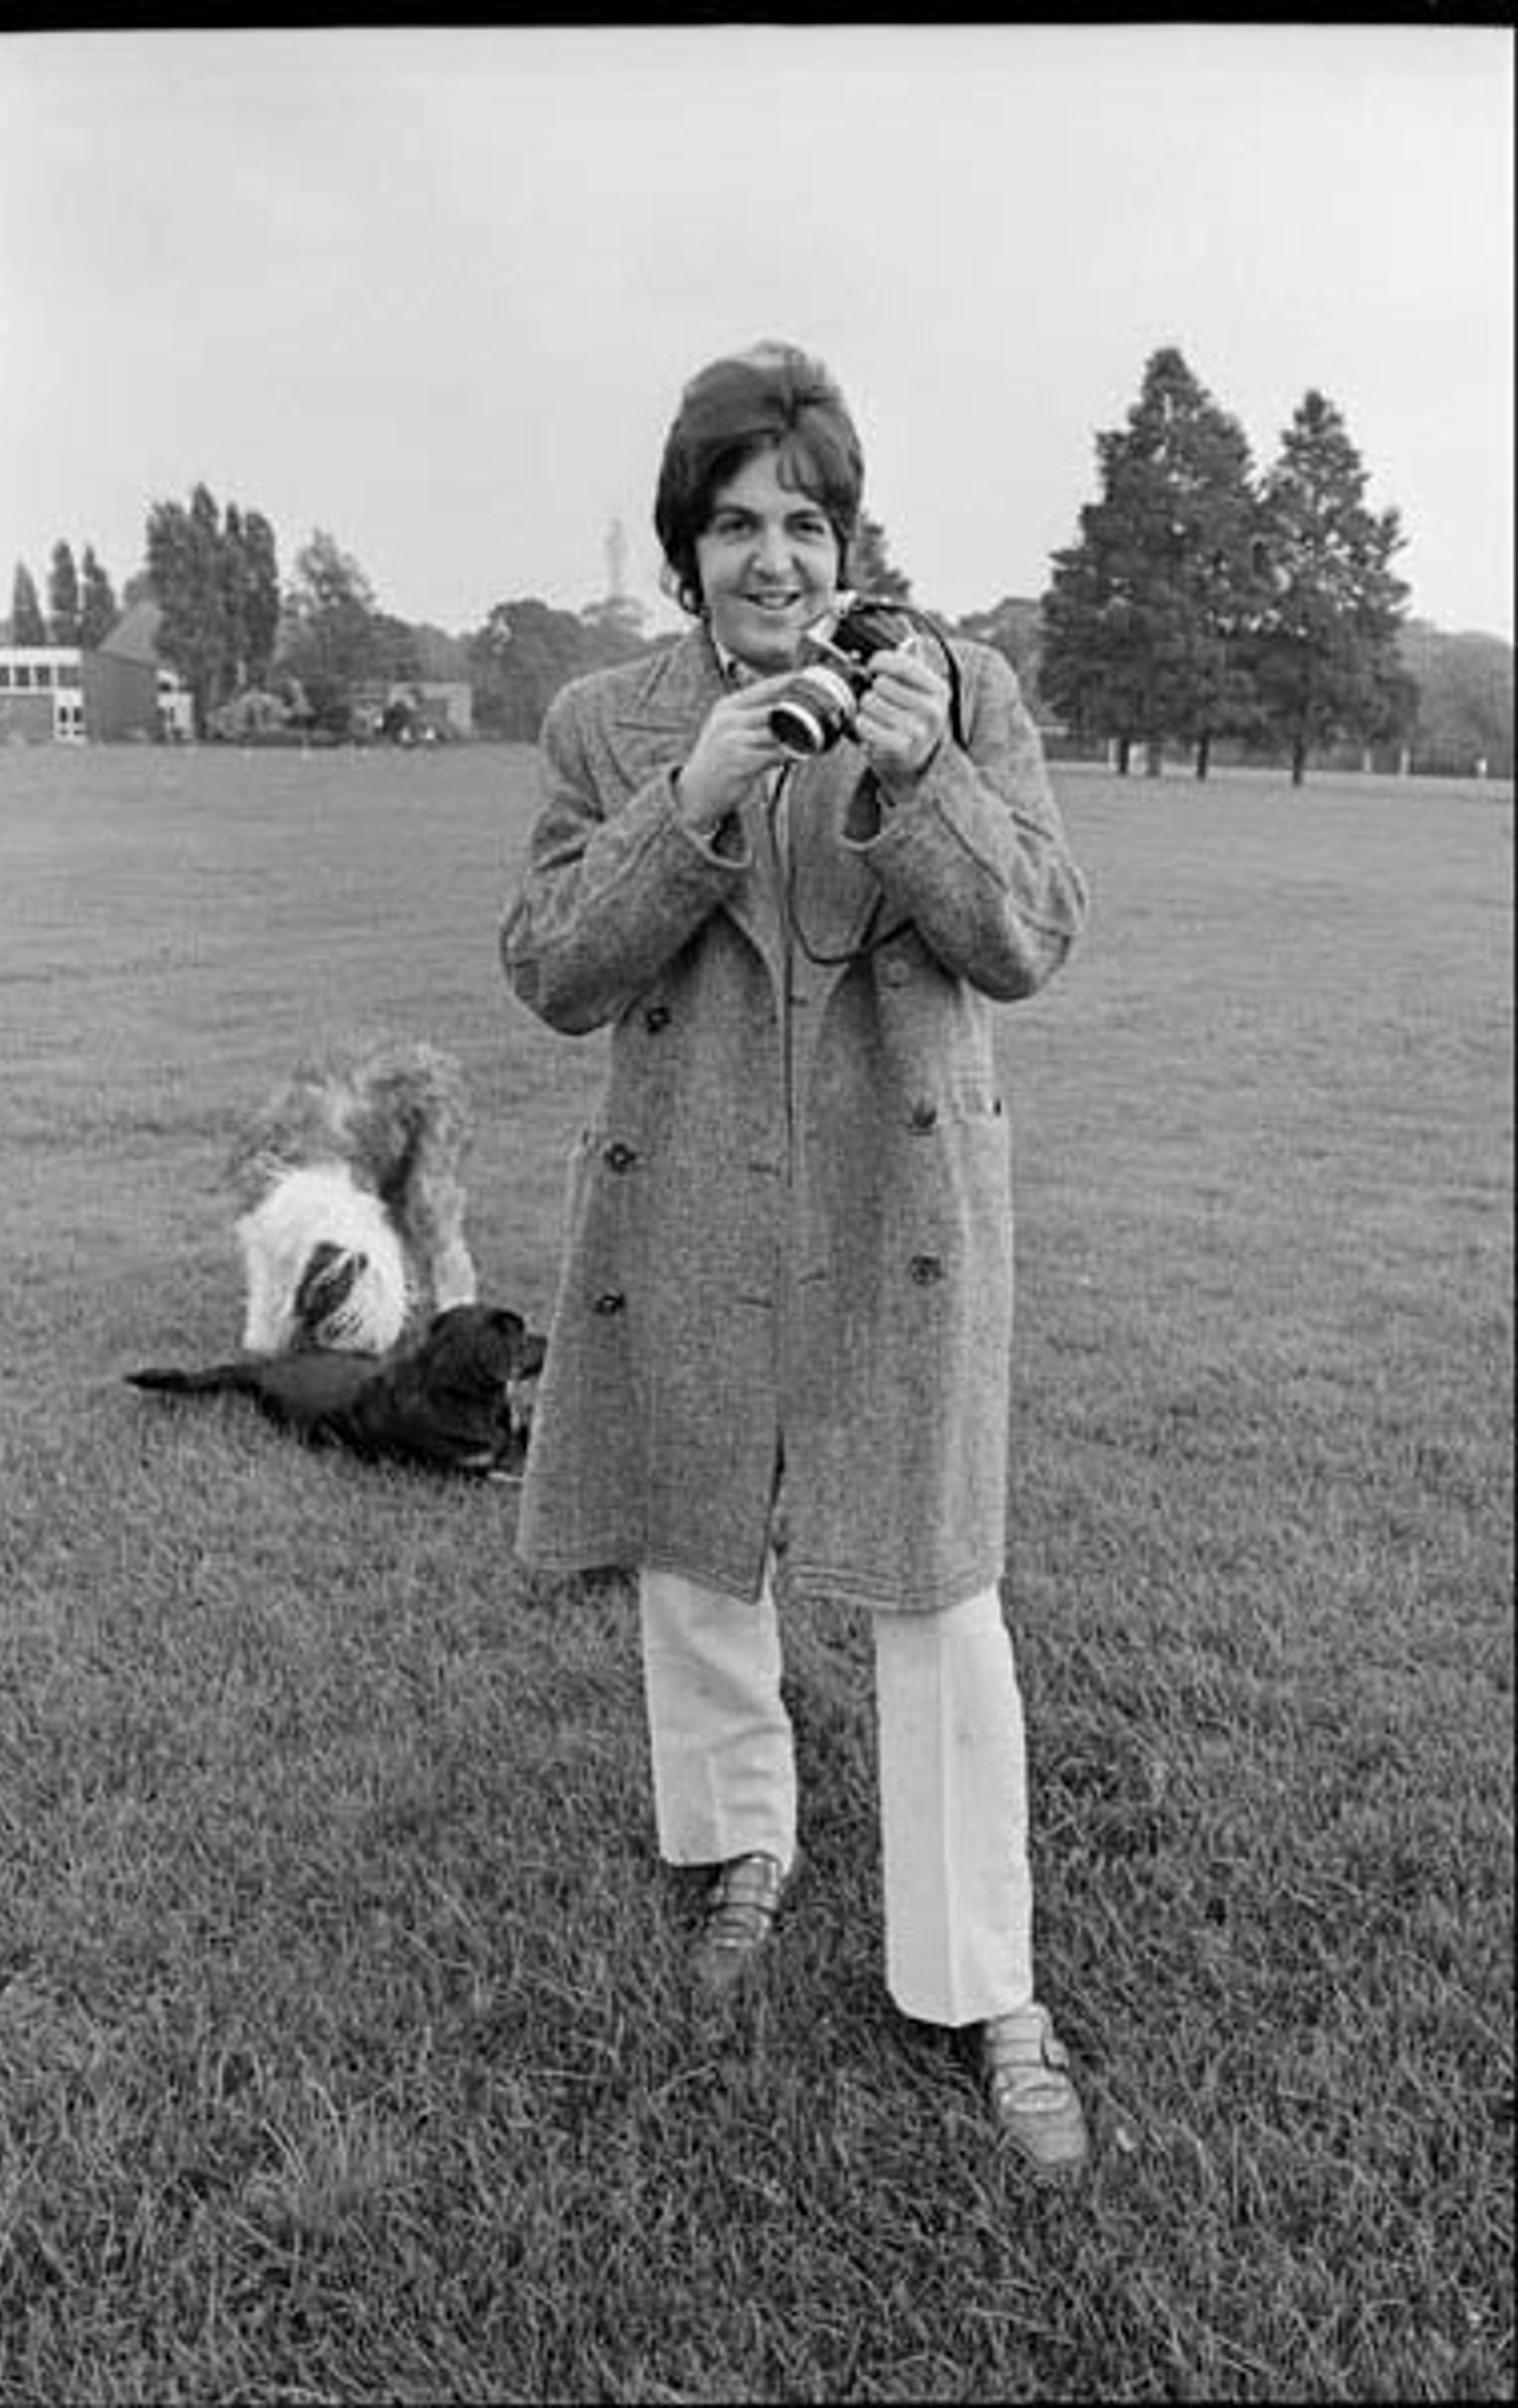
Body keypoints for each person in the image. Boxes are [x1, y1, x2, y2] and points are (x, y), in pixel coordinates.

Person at [499, 341, 1092, 2180]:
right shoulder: (610, 722)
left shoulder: (962, 687)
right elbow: (553, 968)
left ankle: (980, 1976)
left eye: (808, 521)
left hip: (902, 1204)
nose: (777, 558)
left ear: (852, 540)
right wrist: (689, 800)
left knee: (936, 1587)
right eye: (739, 523)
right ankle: (748, 1840)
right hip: (683, 1187)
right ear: (689, 547)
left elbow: (1031, 940)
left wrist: (917, 778)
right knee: (697, 1546)